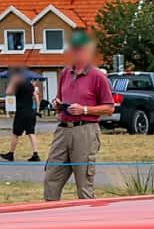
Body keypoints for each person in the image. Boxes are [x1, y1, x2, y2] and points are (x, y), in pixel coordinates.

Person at [44, 31, 114, 200]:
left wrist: (84, 110)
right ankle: (50, 220)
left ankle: (87, 222)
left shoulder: (98, 76)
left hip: (85, 130)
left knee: (84, 183)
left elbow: (109, 108)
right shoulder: (65, 73)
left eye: (80, 49)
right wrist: (57, 104)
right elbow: (60, 97)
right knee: (51, 178)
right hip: (63, 130)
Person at [0, 70, 40, 162]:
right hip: (30, 111)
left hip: (21, 112)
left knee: (15, 133)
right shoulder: (30, 85)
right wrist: (37, 109)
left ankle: (11, 154)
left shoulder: (18, 84)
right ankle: (35, 154)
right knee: (31, 133)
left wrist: (12, 82)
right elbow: (35, 96)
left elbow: (8, 92)